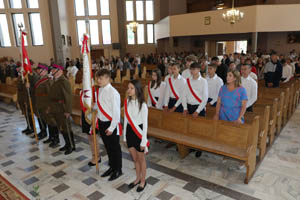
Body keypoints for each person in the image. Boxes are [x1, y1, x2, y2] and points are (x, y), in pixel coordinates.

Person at [93, 69, 122, 181]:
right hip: (101, 122)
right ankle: (112, 167)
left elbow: (116, 113)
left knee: (115, 148)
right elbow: (101, 105)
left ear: (107, 78)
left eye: (101, 78)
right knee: (108, 147)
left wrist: (112, 127)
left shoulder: (113, 93)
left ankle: (118, 169)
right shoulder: (100, 90)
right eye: (97, 78)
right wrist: (93, 106)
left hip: (110, 124)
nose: (98, 80)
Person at [124, 80, 149, 192]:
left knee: (141, 159)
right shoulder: (127, 102)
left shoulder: (143, 105)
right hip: (129, 132)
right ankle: (137, 178)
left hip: (139, 133)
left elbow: (145, 125)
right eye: (128, 88)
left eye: (131, 88)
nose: (128, 90)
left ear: (137, 90)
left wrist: (143, 141)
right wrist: (124, 136)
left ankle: (143, 181)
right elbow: (125, 120)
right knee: (135, 159)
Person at [48, 63, 75, 155]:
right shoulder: (56, 80)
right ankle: (67, 144)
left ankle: (71, 146)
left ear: (59, 71)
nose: (51, 71)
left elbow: (68, 97)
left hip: (62, 108)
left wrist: (68, 111)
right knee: (61, 128)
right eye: (51, 70)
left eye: (53, 70)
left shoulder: (64, 81)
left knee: (66, 127)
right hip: (56, 108)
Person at [34, 63, 60, 146]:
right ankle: (51, 137)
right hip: (42, 104)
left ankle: (56, 139)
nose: (38, 71)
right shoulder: (40, 79)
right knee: (47, 121)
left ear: (44, 71)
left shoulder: (48, 80)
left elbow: (50, 94)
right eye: (38, 70)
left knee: (52, 122)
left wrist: (50, 106)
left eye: (39, 70)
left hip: (47, 104)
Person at [80, 86, 101, 166]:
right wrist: (81, 118)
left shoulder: (94, 90)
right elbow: (82, 105)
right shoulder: (82, 90)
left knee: (93, 138)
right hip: (85, 115)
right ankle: (94, 155)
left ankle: (97, 157)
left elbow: (97, 106)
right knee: (89, 138)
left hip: (93, 115)